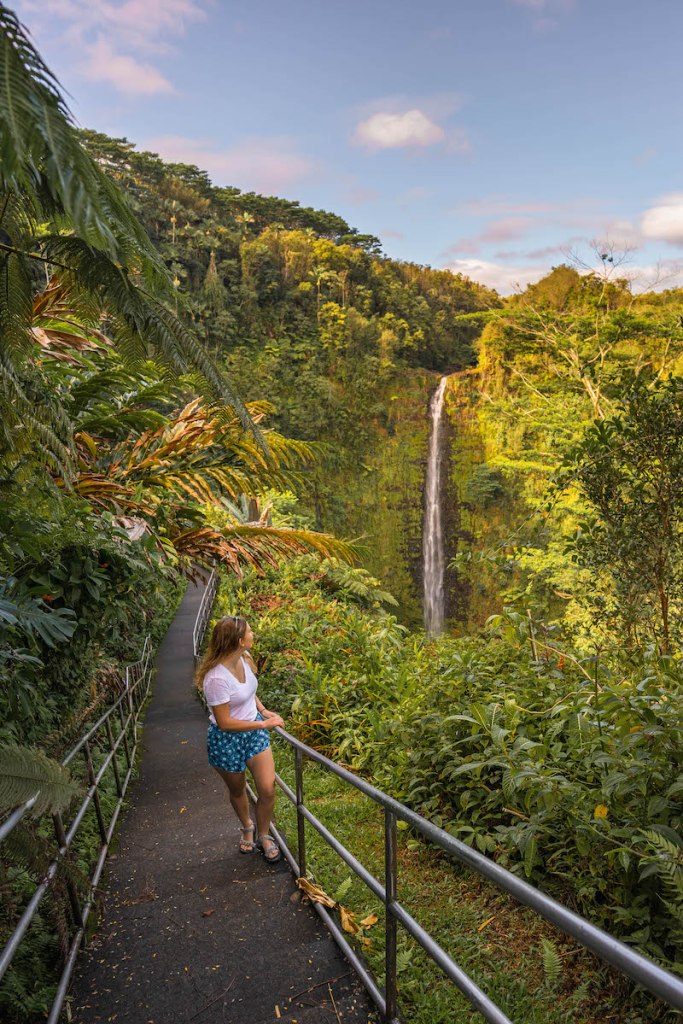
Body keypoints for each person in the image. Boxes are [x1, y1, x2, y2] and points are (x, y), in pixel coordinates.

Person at [196, 614, 284, 862]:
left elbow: (248, 692)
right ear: (239, 641)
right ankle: (247, 826)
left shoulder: (243, 659)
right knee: (237, 789)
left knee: (267, 788)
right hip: (227, 740)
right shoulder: (215, 679)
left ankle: (264, 834)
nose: (253, 635)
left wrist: (263, 710)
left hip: (254, 733)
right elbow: (224, 722)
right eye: (250, 632)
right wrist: (264, 722)